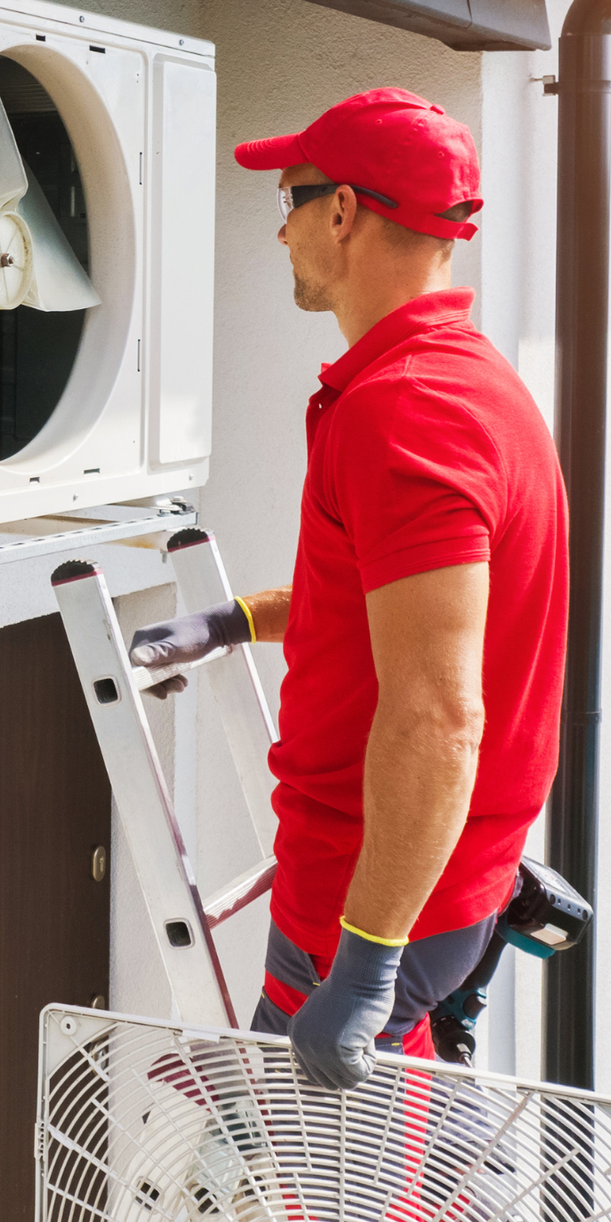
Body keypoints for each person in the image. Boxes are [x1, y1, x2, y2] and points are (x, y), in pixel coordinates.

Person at [128, 87, 568, 1092]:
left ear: (344, 211)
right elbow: (394, 609)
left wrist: (366, 965)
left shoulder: (409, 414)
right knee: (364, 1168)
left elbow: (439, 717)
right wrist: (232, 621)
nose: (279, 227)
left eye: (288, 198)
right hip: (420, 886)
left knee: (328, 1220)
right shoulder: (461, 384)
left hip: (371, 901)